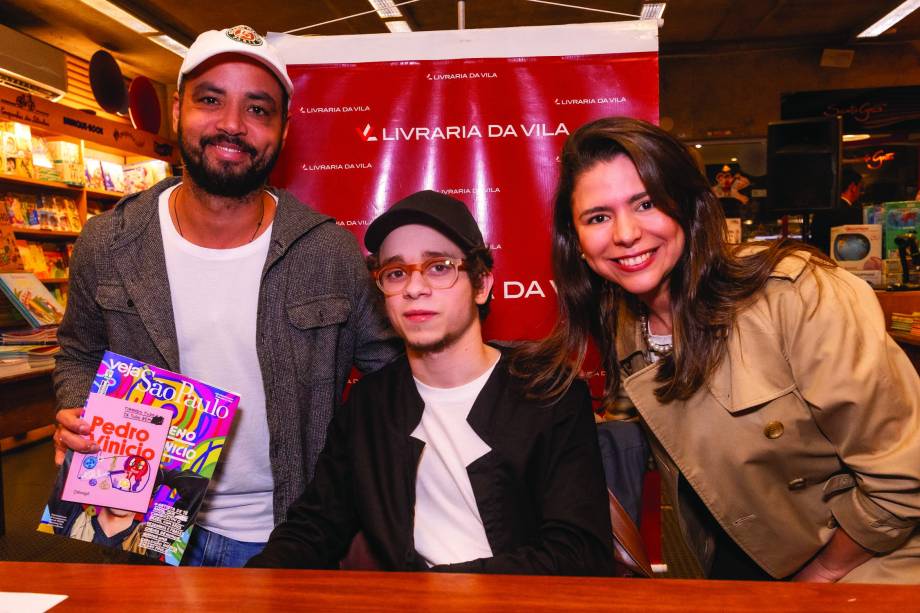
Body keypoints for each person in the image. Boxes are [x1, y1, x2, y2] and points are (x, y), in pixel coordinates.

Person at [512, 117, 920, 583]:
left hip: (863, 563)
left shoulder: (799, 295)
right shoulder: (626, 321)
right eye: (598, 217)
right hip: (739, 565)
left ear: (689, 207)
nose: (625, 233)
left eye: (646, 203)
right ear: (578, 243)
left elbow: (902, 479)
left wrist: (819, 575)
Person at [51, 25, 399, 567]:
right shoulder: (111, 241)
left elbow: (391, 379)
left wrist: (364, 496)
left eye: (258, 109)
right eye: (210, 100)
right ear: (177, 110)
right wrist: (76, 409)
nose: (232, 124)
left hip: (285, 535)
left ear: (283, 130)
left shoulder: (326, 251)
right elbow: (79, 351)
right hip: (143, 526)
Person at [246, 190, 614, 576]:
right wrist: (250, 586)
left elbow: (579, 553)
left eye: (439, 267)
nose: (414, 288)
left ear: (481, 284)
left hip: (519, 601)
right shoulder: (370, 406)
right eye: (396, 272)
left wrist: (439, 589)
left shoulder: (549, 394)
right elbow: (314, 528)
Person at [808, 166, 863, 255]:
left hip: (822, 257)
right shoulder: (851, 212)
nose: (860, 192)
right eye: (860, 188)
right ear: (853, 187)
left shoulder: (823, 209)